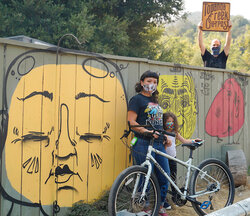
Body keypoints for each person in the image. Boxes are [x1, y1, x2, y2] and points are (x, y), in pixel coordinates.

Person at [128, 70, 171, 216]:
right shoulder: (137, 100)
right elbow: (131, 122)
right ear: (142, 82)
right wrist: (146, 132)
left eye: (155, 82)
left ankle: (159, 206)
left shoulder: (155, 101)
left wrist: (163, 136)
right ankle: (145, 207)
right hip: (142, 142)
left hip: (158, 143)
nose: (152, 84)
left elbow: (157, 122)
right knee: (144, 175)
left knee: (164, 175)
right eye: (149, 81)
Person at [163, 111, 201, 209]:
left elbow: (184, 140)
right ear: (164, 122)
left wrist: (193, 141)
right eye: (168, 122)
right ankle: (163, 201)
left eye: (172, 122)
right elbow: (163, 148)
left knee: (173, 180)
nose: (170, 124)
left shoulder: (174, 133)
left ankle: (175, 198)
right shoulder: (163, 133)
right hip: (164, 158)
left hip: (173, 159)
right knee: (164, 179)